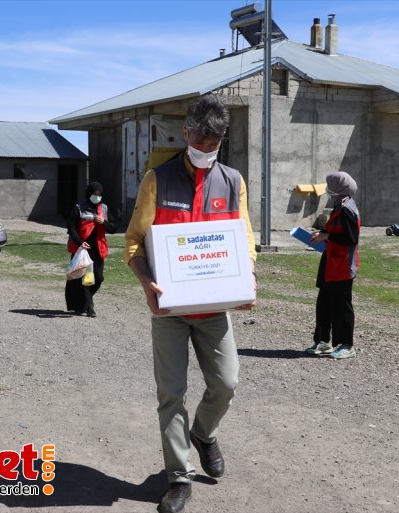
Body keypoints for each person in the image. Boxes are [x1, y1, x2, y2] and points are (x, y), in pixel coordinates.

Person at [124, 96, 257, 513]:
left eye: (215, 140)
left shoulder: (233, 181)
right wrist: (148, 284)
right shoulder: (156, 180)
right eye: (201, 138)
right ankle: (178, 478)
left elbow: (245, 239)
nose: (207, 147)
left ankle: (203, 433)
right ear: (185, 134)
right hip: (170, 311)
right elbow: (132, 242)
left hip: (213, 309)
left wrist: (247, 277)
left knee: (226, 384)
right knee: (171, 394)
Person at [304, 171, 361, 359]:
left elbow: (351, 238)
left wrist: (327, 236)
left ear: (340, 189)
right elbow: (335, 230)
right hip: (330, 264)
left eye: (331, 188)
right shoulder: (339, 206)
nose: (329, 191)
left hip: (342, 267)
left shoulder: (347, 209)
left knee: (341, 307)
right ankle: (322, 341)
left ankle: (346, 344)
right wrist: (320, 234)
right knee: (324, 305)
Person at [65, 181, 116, 317]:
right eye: (94, 194)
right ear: (89, 194)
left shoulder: (104, 208)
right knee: (86, 278)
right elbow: (71, 227)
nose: (97, 197)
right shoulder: (79, 208)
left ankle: (83, 302)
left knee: (98, 278)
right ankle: (89, 307)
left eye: (99, 194)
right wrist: (80, 242)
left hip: (98, 249)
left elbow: (113, 228)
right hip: (83, 249)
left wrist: (103, 222)